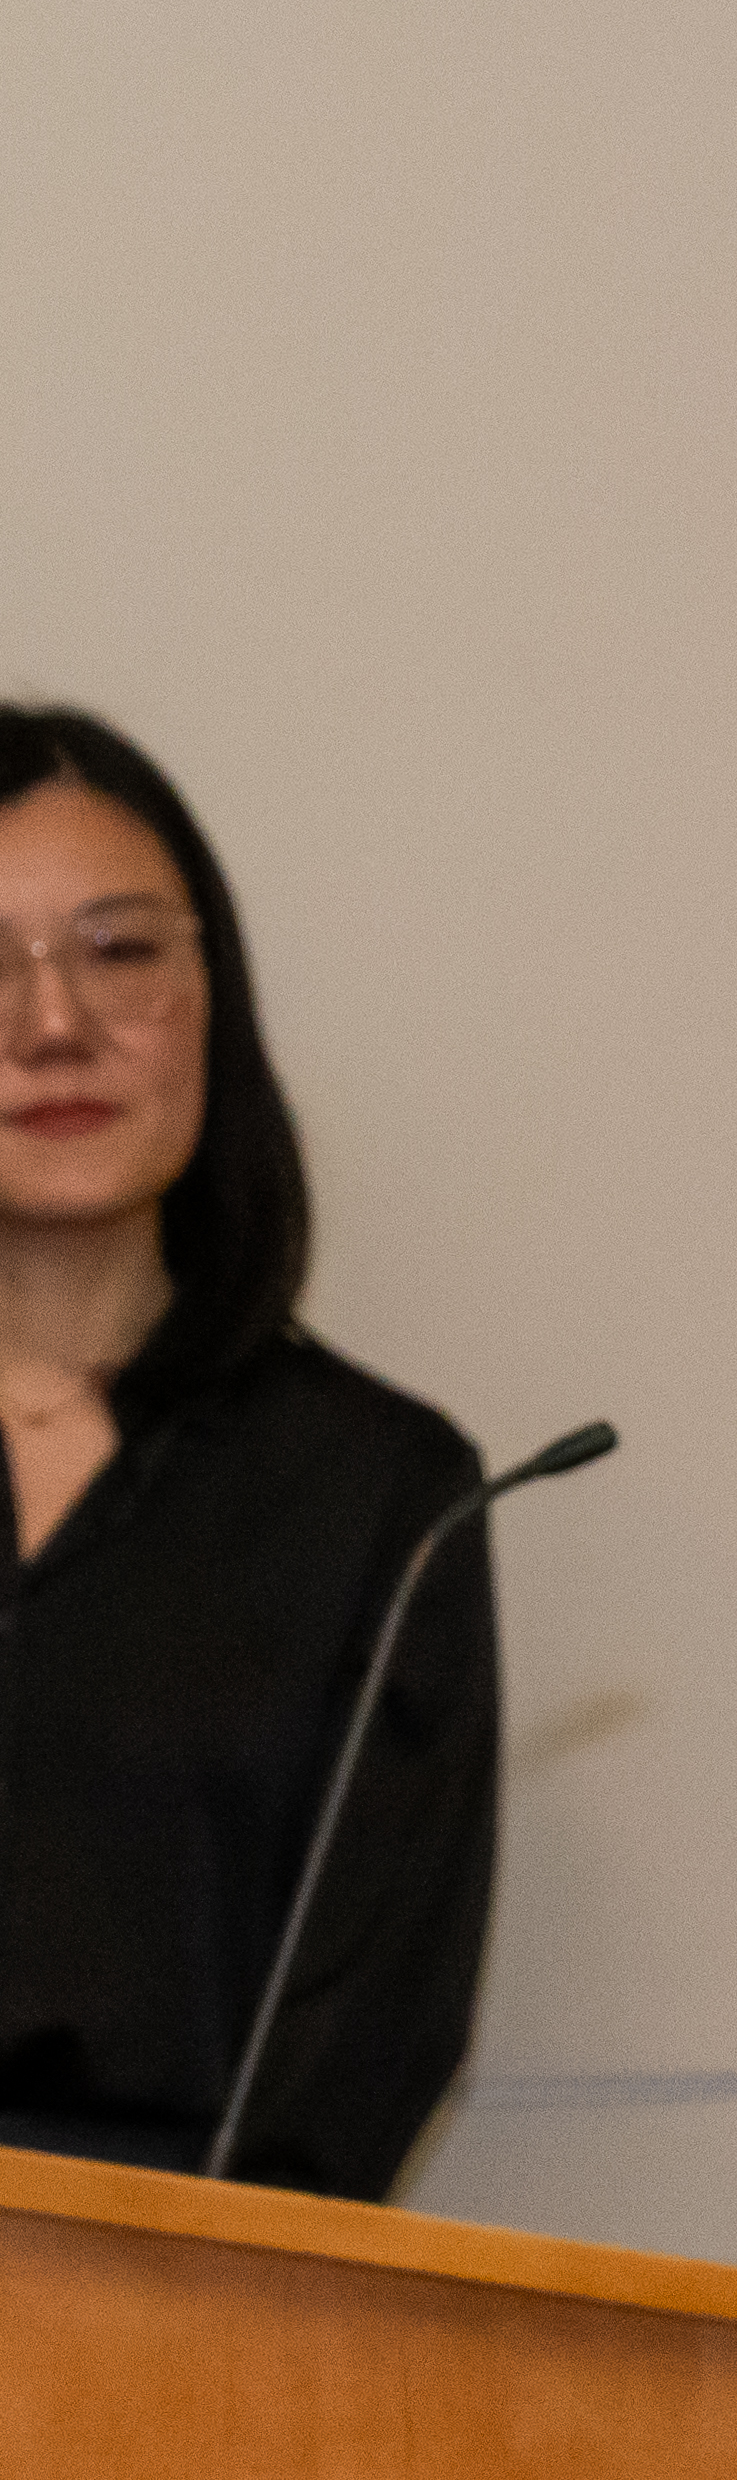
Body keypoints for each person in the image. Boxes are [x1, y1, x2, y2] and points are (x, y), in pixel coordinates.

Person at [0, 706, 498, 2197]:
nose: (51, 1023)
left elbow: (362, 2047)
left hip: (179, 2348)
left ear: (214, 993)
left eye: (119, 948)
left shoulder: (380, 1496)